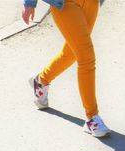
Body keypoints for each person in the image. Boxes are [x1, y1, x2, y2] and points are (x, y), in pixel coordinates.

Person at [22, 0, 111, 138]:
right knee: (86, 58)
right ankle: (92, 117)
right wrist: (29, 3)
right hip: (66, 4)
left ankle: (41, 80)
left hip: (91, 3)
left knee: (72, 52)